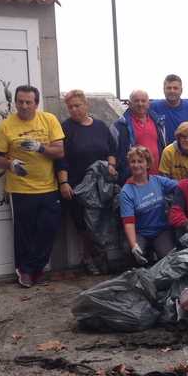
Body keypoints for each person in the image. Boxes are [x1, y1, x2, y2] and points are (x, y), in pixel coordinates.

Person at [0, 85, 64, 287]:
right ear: (15, 102)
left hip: (48, 187)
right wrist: (11, 164)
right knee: (24, 233)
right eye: (20, 102)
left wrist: (40, 147)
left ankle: (38, 268)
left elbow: (59, 152)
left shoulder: (48, 120)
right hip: (21, 189)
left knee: (48, 230)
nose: (24, 106)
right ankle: (24, 271)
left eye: (28, 102)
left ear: (36, 103)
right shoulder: (6, 126)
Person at [56, 89, 117, 274]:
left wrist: (111, 166)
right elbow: (61, 159)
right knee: (84, 226)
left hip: (101, 186)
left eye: (77, 105)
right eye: (70, 107)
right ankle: (88, 257)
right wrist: (63, 183)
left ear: (86, 105)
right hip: (79, 187)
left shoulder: (100, 126)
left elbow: (112, 149)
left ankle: (103, 256)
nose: (74, 110)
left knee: (102, 222)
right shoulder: (65, 128)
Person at [120, 146, 178, 265]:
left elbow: (180, 186)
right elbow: (128, 222)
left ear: (147, 164)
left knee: (169, 261)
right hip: (140, 232)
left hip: (161, 230)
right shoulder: (126, 191)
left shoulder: (158, 181)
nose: (136, 165)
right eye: (133, 161)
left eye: (140, 161)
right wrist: (134, 245)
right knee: (131, 252)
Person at [111, 89, 166, 183]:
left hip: (157, 177)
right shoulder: (120, 125)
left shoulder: (159, 122)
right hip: (133, 179)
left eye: (143, 101)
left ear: (148, 104)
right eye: (136, 101)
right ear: (129, 103)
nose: (140, 104)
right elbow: (112, 151)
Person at [152, 74, 188, 145]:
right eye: (169, 88)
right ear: (163, 90)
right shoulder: (153, 107)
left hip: (186, 153)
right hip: (163, 153)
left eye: (175, 88)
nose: (172, 91)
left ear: (181, 90)